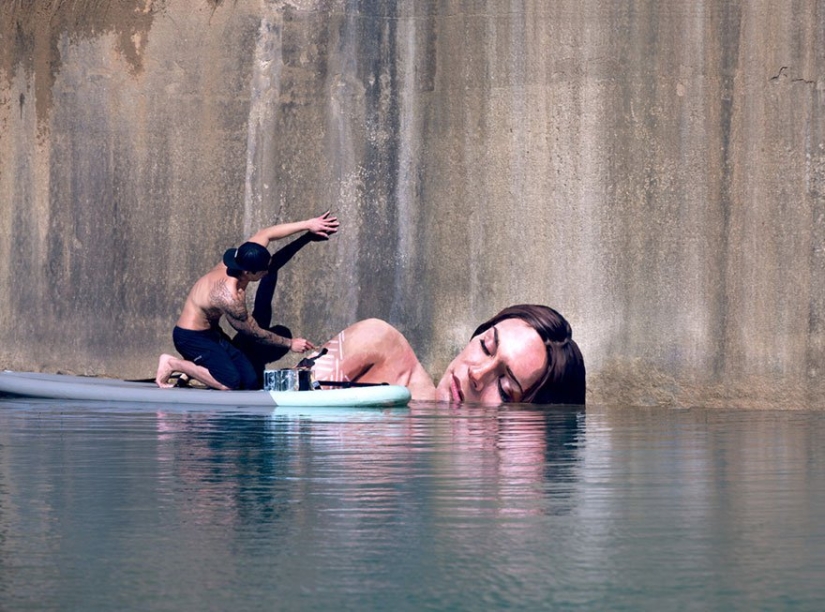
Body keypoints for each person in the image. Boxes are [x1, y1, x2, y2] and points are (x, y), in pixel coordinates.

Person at [155, 212, 339, 390]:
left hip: (212, 333)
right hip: (190, 337)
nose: (266, 272)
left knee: (250, 382)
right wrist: (290, 343)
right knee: (230, 383)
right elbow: (254, 332)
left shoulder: (244, 256)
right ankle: (173, 363)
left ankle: (199, 365)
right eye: (262, 271)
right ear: (248, 273)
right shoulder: (228, 296)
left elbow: (266, 233)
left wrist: (308, 227)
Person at [309, 304, 585, 405]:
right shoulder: (379, 346)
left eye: (504, 389)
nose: (477, 374)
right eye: (486, 346)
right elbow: (280, 400)